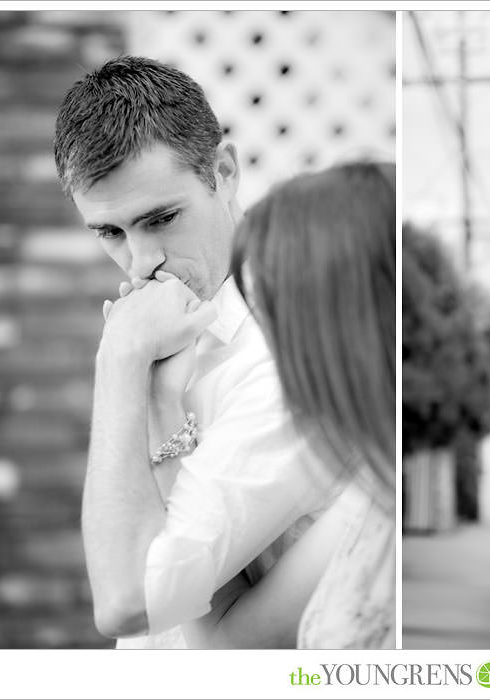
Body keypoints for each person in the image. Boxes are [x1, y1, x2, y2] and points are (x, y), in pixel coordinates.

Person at [54, 56, 346, 648]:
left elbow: (129, 601)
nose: (141, 261)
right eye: (109, 233)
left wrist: (117, 368)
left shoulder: (288, 361)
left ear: (225, 171)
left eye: (161, 218)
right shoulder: (163, 337)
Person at [178, 162, 396, 649]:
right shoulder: (371, 498)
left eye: (276, 302)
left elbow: (211, 634)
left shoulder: (372, 496)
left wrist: (151, 402)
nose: (265, 327)